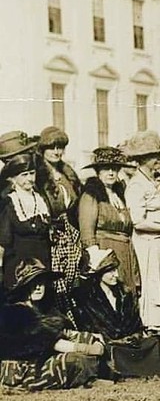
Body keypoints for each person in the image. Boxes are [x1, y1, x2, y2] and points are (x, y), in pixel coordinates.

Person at [0, 258, 103, 390]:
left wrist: (91, 337)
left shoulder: (44, 308)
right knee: (76, 360)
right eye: (33, 283)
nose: (38, 287)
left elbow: (62, 332)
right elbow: (52, 342)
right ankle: (88, 378)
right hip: (21, 369)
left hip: (43, 358)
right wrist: (89, 349)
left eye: (41, 282)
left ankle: (89, 377)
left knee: (89, 340)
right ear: (25, 287)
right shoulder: (16, 313)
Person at [72, 247, 160, 378]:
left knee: (153, 343)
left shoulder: (125, 294)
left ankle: (138, 367)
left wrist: (133, 338)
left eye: (116, 270)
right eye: (110, 271)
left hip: (129, 343)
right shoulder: (89, 298)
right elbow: (89, 328)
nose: (116, 275)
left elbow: (136, 324)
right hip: (110, 345)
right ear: (100, 273)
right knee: (113, 352)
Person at [124, 131, 160, 332]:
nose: (158, 159)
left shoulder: (150, 180)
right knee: (151, 283)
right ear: (142, 159)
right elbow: (138, 222)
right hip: (147, 242)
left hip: (158, 241)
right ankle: (151, 326)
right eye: (153, 156)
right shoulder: (137, 184)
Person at [35, 126, 83, 322]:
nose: (57, 151)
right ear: (43, 149)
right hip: (49, 236)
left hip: (68, 234)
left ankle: (68, 322)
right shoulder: (37, 174)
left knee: (69, 281)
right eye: (52, 147)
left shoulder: (66, 173)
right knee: (53, 283)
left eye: (60, 147)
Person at [78, 147, 138, 293]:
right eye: (106, 169)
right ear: (98, 172)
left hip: (125, 252)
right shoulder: (91, 195)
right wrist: (98, 259)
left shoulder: (120, 194)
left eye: (115, 169)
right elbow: (87, 232)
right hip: (105, 250)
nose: (111, 173)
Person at [0, 153, 51, 292]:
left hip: (42, 262)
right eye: (24, 174)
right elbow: (4, 241)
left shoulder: (42, 199)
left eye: (32, 173)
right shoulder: (9, 202)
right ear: (13, 178)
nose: (29, 178)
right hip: (18, 265)